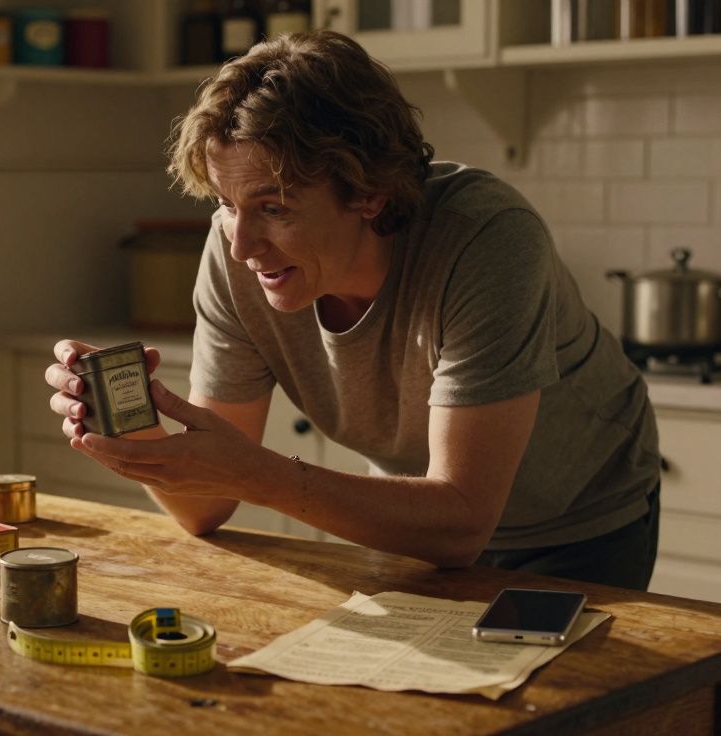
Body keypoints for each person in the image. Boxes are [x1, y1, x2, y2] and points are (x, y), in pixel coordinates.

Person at [44, 30, 661, 590]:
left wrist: (255, 473)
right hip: (414, 521)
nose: (240, 244)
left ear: (369, 191)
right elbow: (205, 507)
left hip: (577, 523)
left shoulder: (487, 237)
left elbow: (462, 522)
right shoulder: (235, 253)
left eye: (274, 207)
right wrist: (129, 424)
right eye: (227, 204)